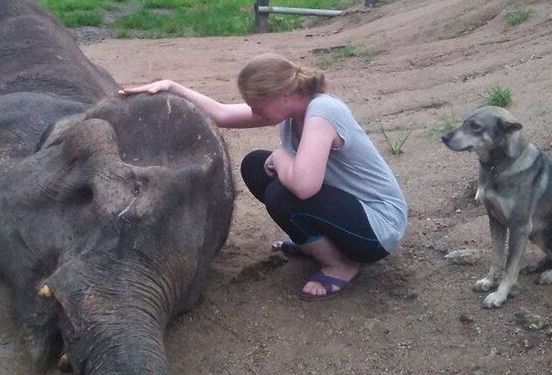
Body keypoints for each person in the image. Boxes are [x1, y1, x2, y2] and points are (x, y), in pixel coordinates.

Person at [120, 53, 407, 301]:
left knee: (282, 193)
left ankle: (340, 265)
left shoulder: (323, 111)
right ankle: (319, 245)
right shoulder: (291, 109)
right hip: (347, 211)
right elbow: (220, 114)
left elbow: (305, 187)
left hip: (377, 228)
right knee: (256, 165)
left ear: (283, 95)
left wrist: (282, 157)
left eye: (257, 106)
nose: (254, 113)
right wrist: (171, 87)